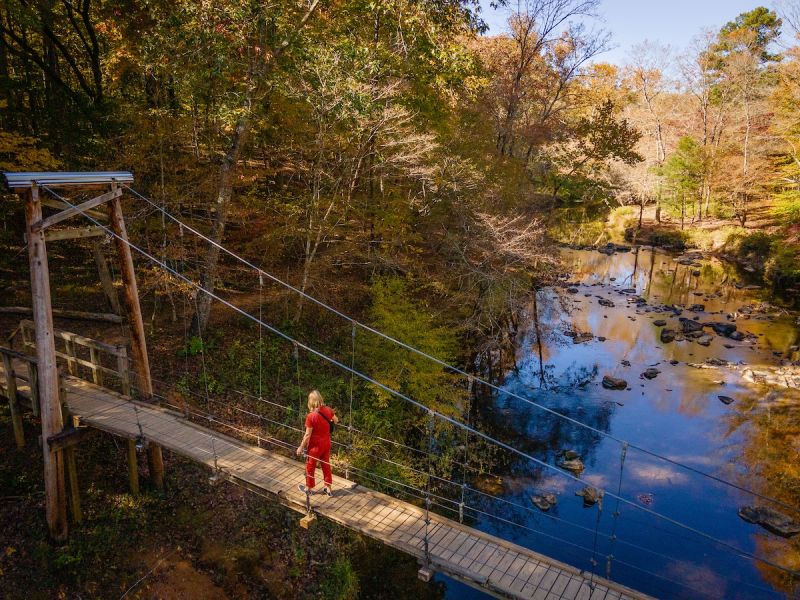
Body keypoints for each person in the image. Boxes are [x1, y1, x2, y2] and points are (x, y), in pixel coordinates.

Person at [296, 389, 338, 496]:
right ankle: (328, 488)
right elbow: (336, 420)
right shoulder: (328, 410)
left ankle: (308, 488)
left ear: (311, 401)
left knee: (310, 466)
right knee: (326, 464)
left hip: (315, 446)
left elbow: (307, 435)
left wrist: (301, 447)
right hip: (326, 443)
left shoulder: (310, 417)